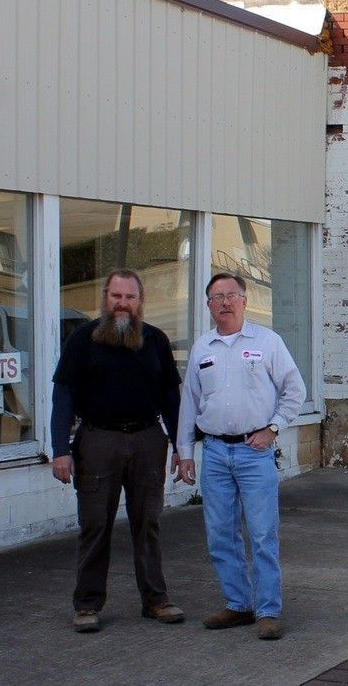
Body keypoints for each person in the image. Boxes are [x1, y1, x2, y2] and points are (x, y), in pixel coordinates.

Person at [49, 268, 185, 633]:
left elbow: (172, 397)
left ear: (141, 302)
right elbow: (62, 394)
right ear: (105, 299)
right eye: (115, 296)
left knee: (149, 524)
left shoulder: (156, 341)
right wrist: (60, 449)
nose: (122, 304)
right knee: (95, 525)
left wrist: (180, 446)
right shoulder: (82, 339)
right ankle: (88, 604)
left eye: (129, 297)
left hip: (147, 441)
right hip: (97, 442)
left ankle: (156, 600)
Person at [176, 272, 305, 640]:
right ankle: (238, 605)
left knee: (263, 533)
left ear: (245, 300)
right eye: (217, 297)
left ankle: (268, 611)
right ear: (209, 305)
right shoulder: (203, 348)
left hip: (254, 453)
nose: (225, 302)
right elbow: (189, 403)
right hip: (215, 453)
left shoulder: (268, 342)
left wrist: (274, 428)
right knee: (220, 534)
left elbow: (295, 391)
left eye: (231, 294)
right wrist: (185, 452)